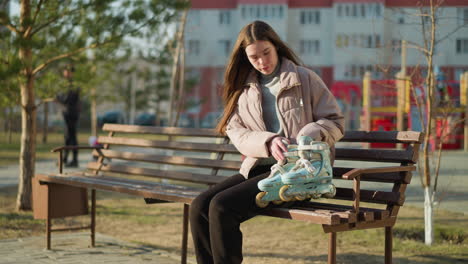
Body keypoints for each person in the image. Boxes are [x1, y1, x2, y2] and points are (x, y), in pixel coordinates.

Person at [189, 21, 345, 264]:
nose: (262, 61)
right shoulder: (245, 88)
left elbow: (336, 121)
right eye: (254, 57)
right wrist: (268, 141)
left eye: (266, 53)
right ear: (245, 58)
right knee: (199, 206)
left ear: (276, 47)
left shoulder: (304, 78)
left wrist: (312, 130)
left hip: (296, 175)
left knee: (221, 207)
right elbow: (236, 131)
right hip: (258, 168)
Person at [56, 65, 81, 167]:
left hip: (71, 113)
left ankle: (73, 160)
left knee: (71, 136)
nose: (64, 73)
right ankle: (66, 159)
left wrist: (57, 98)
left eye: (66, 71)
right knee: (68, 136)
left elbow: (67, 99)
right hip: (68, 113)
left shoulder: (73, 85)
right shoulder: (68, 84)